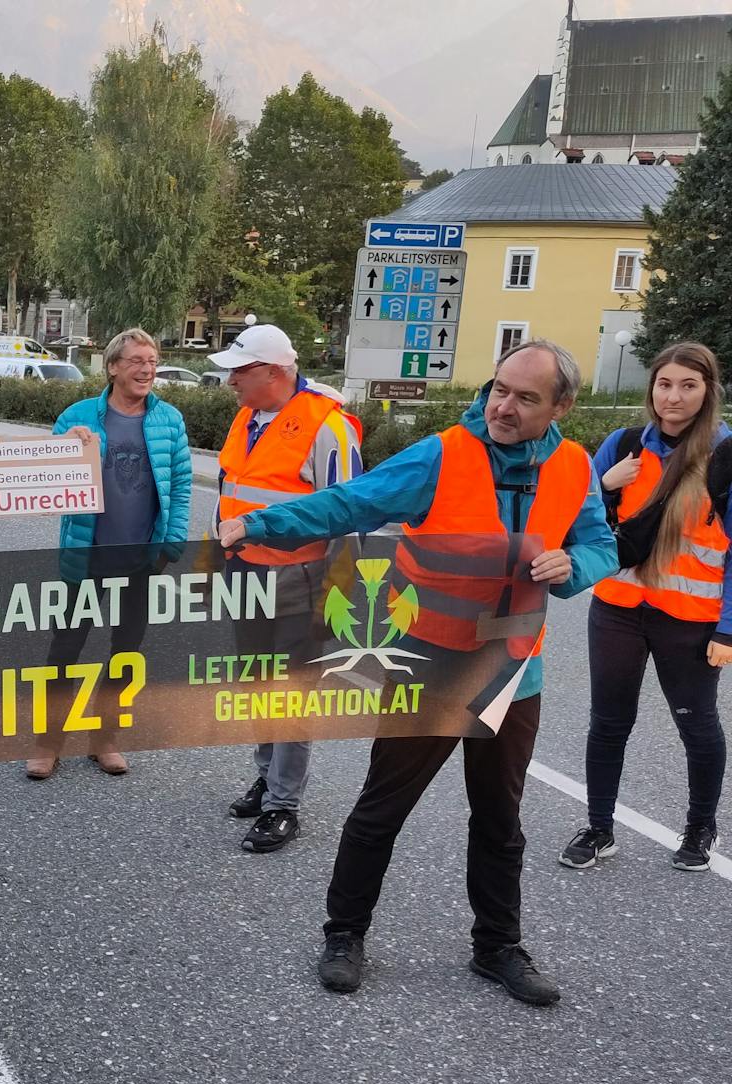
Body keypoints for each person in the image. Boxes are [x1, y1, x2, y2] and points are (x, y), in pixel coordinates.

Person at [219, 339, 618, 1005]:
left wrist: (574, 567)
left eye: (525, 397)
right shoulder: (445, 455)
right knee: (382, 810)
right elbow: (348, 504)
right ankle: (344, 933)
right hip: (431, 666)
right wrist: (257, 524)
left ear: (562, 407)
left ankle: (497, 946)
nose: (504, 405)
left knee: (500, 819)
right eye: (500, 389)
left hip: (514, 668)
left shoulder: (573, 466)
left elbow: (600, 542)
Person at [562, 342, 732, 873]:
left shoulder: (725, 454)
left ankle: (700, 827)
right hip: (618, 606)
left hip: (691, 617)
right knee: (608, 722)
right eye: (664, 384)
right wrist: (604, 487)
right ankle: (599, 827)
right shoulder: (625, 444)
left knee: (696, 725)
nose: (673, 396)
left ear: (708, 391)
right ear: (651, 387)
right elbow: (574, 519)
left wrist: (728, 630)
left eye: (688, 385)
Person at [208, 324, 363, 853]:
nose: (230, 380)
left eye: (240, 370)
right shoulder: (248, 417)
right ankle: (267, 775)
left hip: (302, 580)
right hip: (246, 571)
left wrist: (337, 593)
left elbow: (347, 514)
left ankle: (283, 806)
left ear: (274, 372)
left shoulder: (328, 427)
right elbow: (231, 491)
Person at [27, 327, 192, 780]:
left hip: (143, 558)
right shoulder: (77, 415)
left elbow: (179, 490)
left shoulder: (169, 421)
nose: (147, 370)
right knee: (64, 650)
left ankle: (106, 739)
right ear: (114, 367)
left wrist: (171, 545)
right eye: (137, 361)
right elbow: (44, 482)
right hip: (87, 555)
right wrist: (66, 450)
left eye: (153, 362)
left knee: (126, 653)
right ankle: (48, 742)